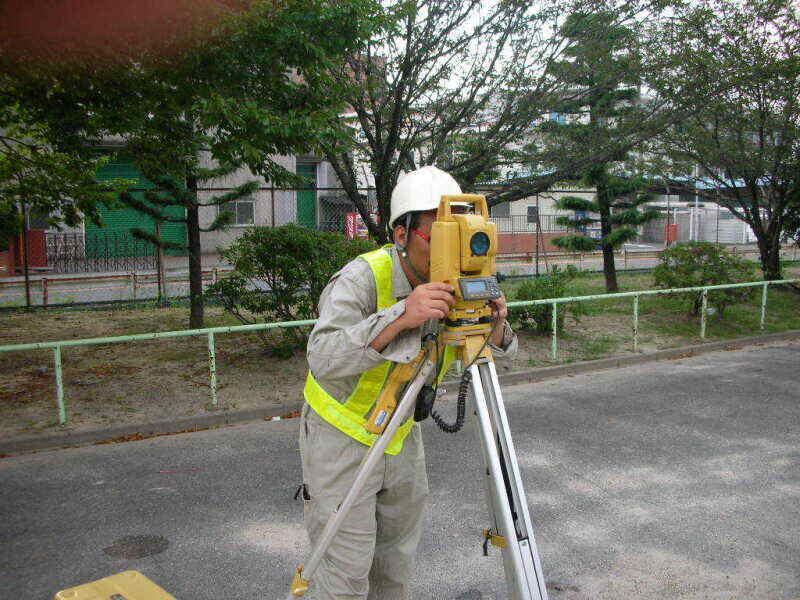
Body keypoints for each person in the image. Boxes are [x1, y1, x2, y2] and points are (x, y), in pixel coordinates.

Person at [299, 165, 517, 599]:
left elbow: (494, 364)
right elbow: (322, 357)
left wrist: (493, 325)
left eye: (458, 236)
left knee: (394, 568)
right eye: (436, 236)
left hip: (401, 435)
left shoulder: (458, 284)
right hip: (341, 440)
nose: (450, 250)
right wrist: (403, 315)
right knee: (343, 577)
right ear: (401, 234)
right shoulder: (363, 278)